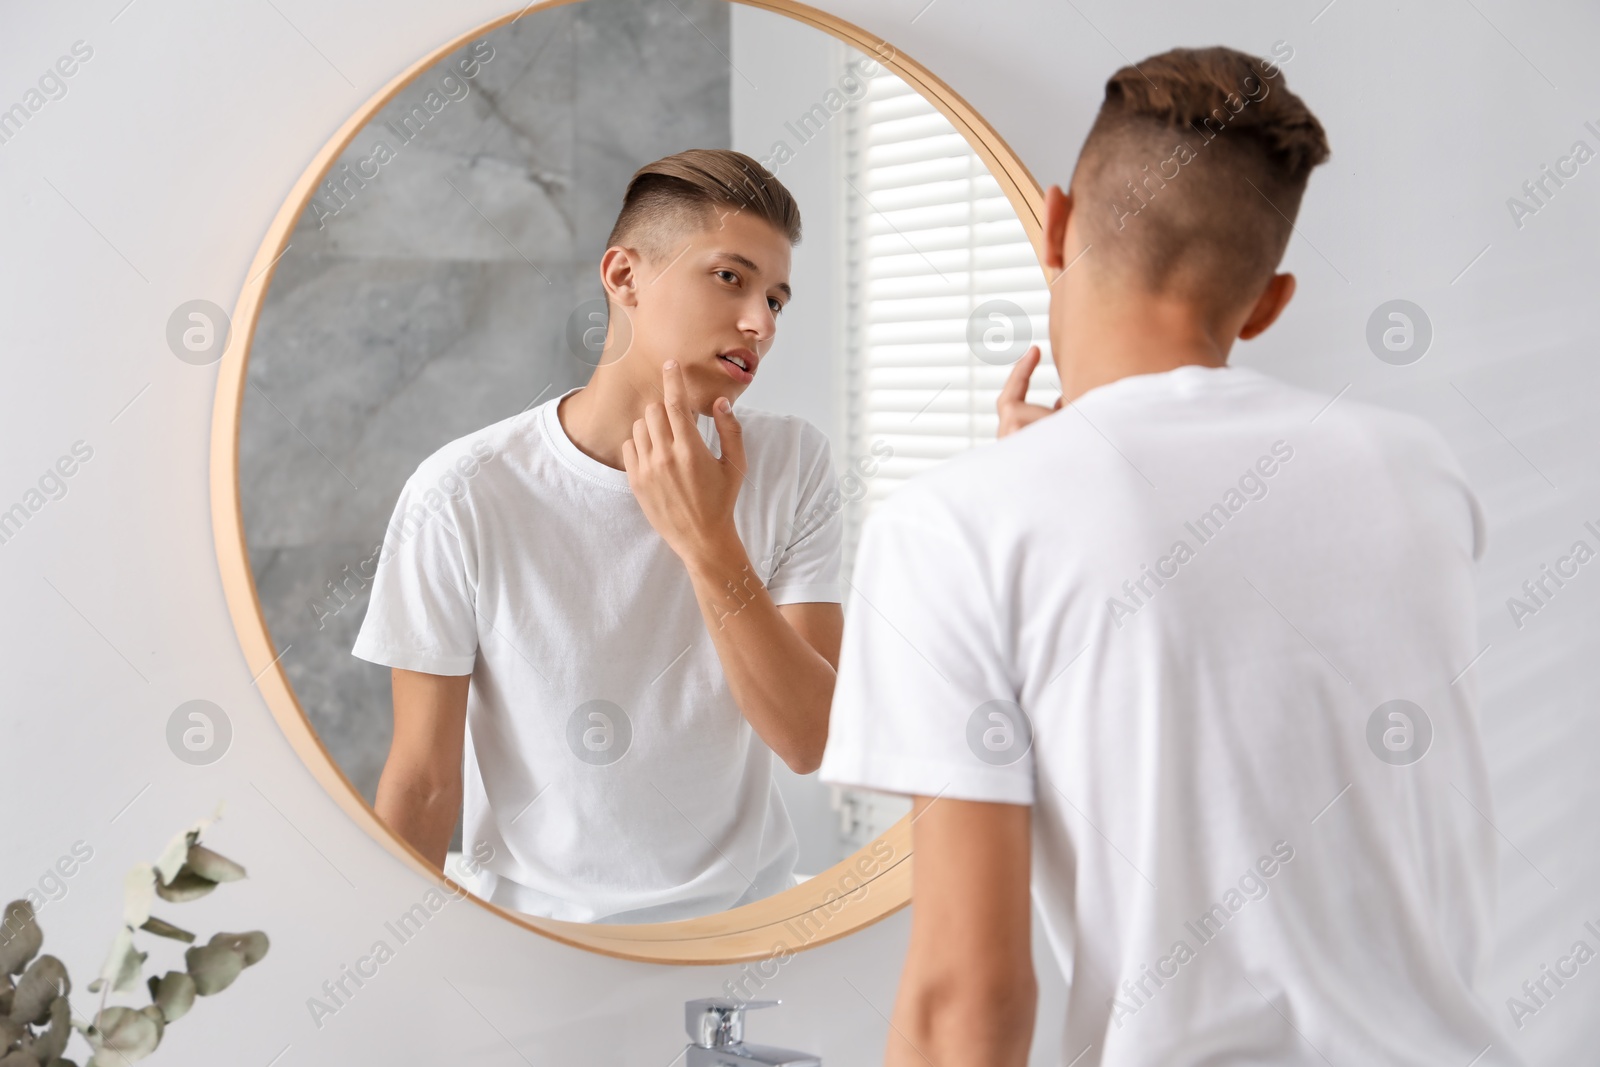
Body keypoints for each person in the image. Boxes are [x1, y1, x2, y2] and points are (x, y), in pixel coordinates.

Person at [817, 46, 1520, 1066]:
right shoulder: (1417, 472)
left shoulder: (953, 530)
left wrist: (1031, 502)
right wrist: (1054, 494)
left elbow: (966, 1004)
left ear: (1053, 222)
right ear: (1267, 301)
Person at [352, 149, 846, 924]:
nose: (760, 322)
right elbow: (422, 782)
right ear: (624, 278)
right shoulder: (462, 492)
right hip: (536, 945)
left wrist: (710, 542)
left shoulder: (793, 463)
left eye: (778, 300)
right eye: (731, 277)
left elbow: (811, 737)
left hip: (742, 939)